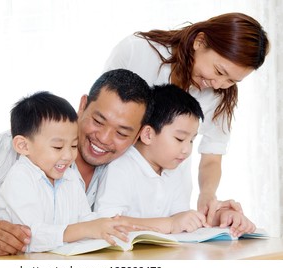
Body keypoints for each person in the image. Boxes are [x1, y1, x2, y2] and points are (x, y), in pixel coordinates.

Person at [0, 69, 153, 258]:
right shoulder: (16, 146)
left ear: (136, 137)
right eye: (98, 121)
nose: (105, 138)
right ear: (83, 106)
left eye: (122, 132)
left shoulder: (120, 169)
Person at [103, 12, 270, 224]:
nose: (219, 85)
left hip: (170, 203)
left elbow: (212, 156)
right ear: (200, 42)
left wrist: (208, 198)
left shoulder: (220, 94)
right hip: (118, 197)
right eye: (219, 71)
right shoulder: (138, 52)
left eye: (231, 80)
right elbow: (100, 118)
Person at [94, 84, 256, 237]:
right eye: (180, 139)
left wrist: (221, 217)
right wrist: (170, 224)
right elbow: (107, 224)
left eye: (192, 140)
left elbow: (182, 219)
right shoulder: (120, 168)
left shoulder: (174, 169)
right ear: (148, 134)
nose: (187, 149)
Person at [0, 91, 131, 256]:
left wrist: (104, 225)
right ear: (23, 146)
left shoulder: (70, 176)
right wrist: (85, 229)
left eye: (73, 146)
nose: (68, 156)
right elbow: (29, 236)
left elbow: (84, 218)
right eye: (58, 147)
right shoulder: (20, 179)